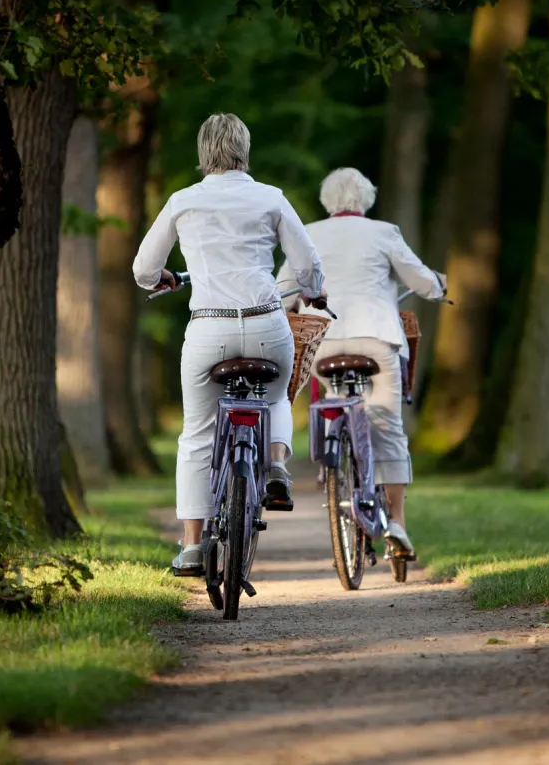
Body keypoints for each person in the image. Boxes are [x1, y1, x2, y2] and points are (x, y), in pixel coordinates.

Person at [133, 113, 329, 576]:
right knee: (278, 393)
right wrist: (313, 289)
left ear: (204, 152)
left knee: (197, 435)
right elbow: (307, 264)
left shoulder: (183, 201)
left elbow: (144, 267)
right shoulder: (270, 198)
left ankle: (193, 546)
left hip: (209, 328)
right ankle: (276, 465)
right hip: (265, 322)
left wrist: (162, 278)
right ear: (244, 148)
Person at [277, 167, 445, 558]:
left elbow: (284, 290)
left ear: (326, 201)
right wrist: (439, 284)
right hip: (375, 337)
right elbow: (420, 281)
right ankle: (398, 523)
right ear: (366, 198)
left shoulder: (310, 233)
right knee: (387, 425)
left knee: (333, 400)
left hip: (324, 341)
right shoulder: (384, 232)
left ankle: (334, 467)